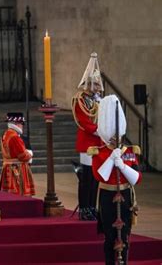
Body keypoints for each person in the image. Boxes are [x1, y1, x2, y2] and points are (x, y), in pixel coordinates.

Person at [89, 95, 141, 265]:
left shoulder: (129, 151)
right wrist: (111, 159)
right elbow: (99, 176)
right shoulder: (99, 152)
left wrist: (123, 165)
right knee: (110, 237)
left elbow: (136, 178)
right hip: (107, 197)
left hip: (125, 195)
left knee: (124, 234)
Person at [71, 52, 104, 220]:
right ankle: (84, 208)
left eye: (98, 84)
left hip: (98, 143)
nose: (98, 87)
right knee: (86, 177)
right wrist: (98, 129)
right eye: (95, 83)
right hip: (87, 142)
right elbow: (83, 121)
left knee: (95, 177)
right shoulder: (80, 100)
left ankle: (92, 206)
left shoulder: (99, 100)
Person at [0, 112, 35, 196]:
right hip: (16, 169)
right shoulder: (14, 137)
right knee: (18, 194)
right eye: (21, 123)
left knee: (8, 194)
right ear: (16, 124)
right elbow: (23, 156)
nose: (22, 126)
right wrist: (30, 154)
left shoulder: (5, 134)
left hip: (8, 167)